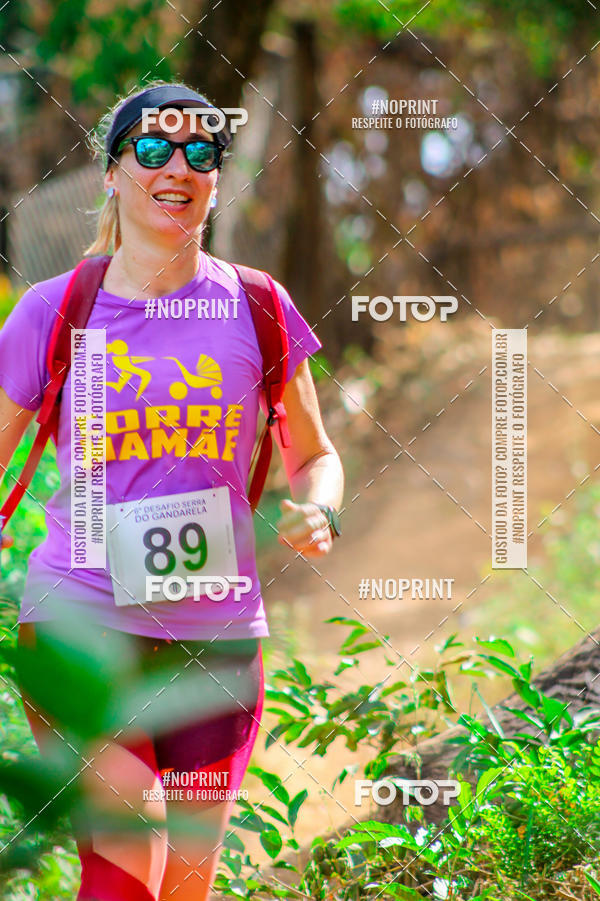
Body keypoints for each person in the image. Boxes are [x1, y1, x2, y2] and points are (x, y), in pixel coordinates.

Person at [0, 79, 343, 901]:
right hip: (82, 620)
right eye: (152, 147)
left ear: (217, 179)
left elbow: (315, 454)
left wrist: (320, 507)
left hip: (215, 640)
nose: (177, 164)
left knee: (186, 883)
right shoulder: (54, 310)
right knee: (128, 858)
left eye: (201, 151)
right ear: (114, 172)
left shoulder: (258, 305)